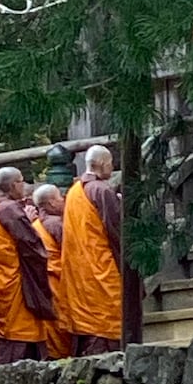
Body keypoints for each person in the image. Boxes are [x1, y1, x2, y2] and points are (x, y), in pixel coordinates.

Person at [0, 167, 54, 365]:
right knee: (20, 339)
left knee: (14, 336)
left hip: (3, 280)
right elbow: (31, 246)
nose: (24, 186)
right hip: (18, 285)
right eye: (22, 181)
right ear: (14, 184)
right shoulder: (9, 210)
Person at [60, 145, 122, 356]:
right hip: (101, 269)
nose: (112, 168)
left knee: (90, 327)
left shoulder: (73, 191)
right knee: (105, 326)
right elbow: (116, 229)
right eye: (111, 163)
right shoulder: (101, 190)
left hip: (80, 271)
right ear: (103, 164)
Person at [32, 184, 72, 359]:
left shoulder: (36, 224)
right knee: (60, 323)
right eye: (59, 197)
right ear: (50, 203)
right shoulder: (55, 224)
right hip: (57, 282)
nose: (63, 200)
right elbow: (71, 252)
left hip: (44, 284)